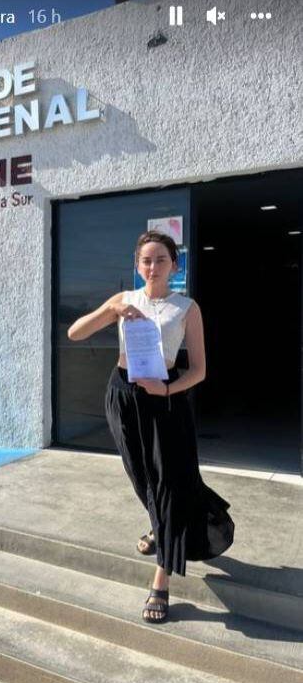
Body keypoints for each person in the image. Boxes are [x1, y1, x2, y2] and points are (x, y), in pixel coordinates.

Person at [67, 230, 234, 623]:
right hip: (123, 396)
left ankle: (162, 577)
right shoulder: (124, 300)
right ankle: (161, 528)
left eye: (161, 259)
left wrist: (168, 389)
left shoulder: (187, 308)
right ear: (137, 265)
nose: (153, 266)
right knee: (141, 476)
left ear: (174, 265)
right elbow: (75, 333)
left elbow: (199, 370)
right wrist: (111, 311)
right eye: (146, 260)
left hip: (165, 398)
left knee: (169, 483)